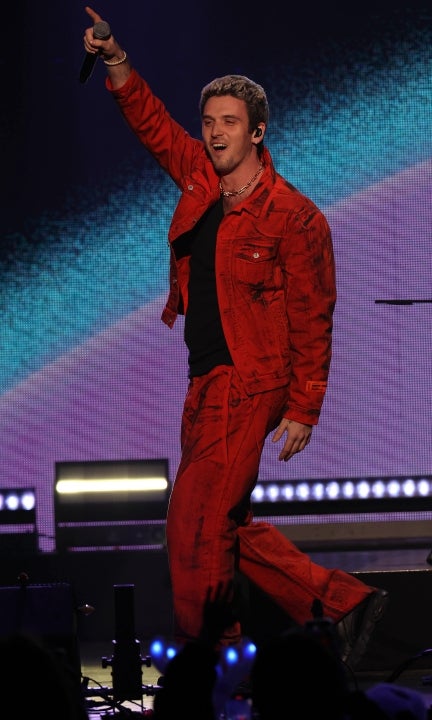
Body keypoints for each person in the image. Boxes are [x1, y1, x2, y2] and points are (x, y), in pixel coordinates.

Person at [82, 6, 389, 672]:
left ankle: (213, 668)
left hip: (250, 383)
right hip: (204, 382)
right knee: (224, 523)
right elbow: (153, 124)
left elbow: (315, 316)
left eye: (229, 122)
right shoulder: (200, 178)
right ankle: (343, 604)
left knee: (192, 524)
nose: (215, 132)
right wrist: (117, 61)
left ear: (257, 131)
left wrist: (305, 406)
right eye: (209, 122)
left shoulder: (293, 217)